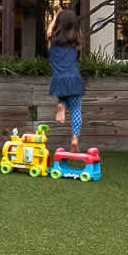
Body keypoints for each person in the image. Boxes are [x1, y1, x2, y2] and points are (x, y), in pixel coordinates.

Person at [48, 8, 85, 151]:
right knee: (76, 110)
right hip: (74, 79)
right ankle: (75, 139)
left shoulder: (53, 41)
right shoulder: (76, 43)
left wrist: (54, 19)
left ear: (59, 24)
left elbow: (48, 32)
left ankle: (62, 105)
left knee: (63, 97)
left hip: (58, 79)